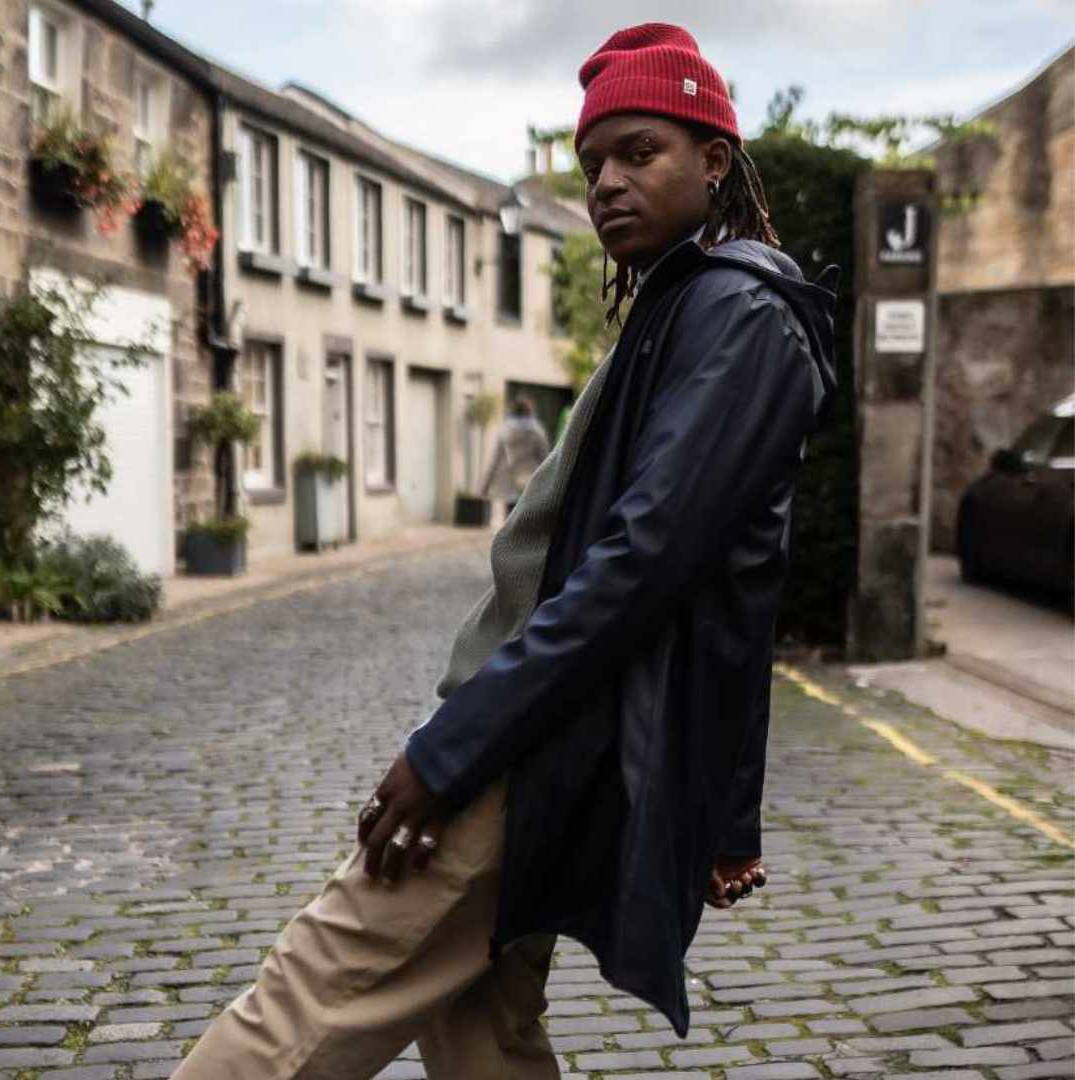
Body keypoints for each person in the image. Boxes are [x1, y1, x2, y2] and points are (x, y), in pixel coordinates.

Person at [172, 22, 836, 1080]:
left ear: (715, 160)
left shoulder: (740, 316)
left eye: (640, 152)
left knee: (302, 1002)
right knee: (486, 1032)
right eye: (593, 163)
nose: (608, 183)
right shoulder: (682, 306)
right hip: (528, 726)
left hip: (529, 747)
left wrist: (452, 752)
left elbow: (649, 568)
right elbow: (718, 578)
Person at [481, 397, 551, 516]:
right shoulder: (537, 432)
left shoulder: (505, 431)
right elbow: (545, 460)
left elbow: (495, 460)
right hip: (530, 482)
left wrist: (485, 486)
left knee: (510, 516)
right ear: (530, 412)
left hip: (510, 483)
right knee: (527, 517)